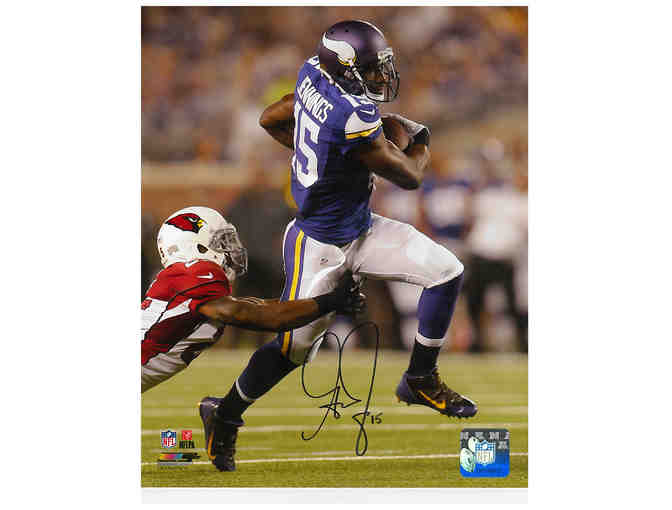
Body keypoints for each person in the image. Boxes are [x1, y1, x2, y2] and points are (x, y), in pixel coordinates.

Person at [200, 20, 476, 472]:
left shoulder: (313, 71)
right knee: (293, 350)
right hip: (319, 244)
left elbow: (270, 116)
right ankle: (225, 413)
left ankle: (420, 377)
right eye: (371, 69)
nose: (380, 76)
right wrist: (422, 140)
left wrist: (314, 153)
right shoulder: (350, 112)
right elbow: (411, 176)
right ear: (346, 68)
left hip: (360, 227)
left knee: (446, 271)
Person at [141, 206, 364, 393]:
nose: (230, 248)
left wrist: (323, 298)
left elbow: (258, 305)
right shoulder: (193, 272)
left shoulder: (183, 279)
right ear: (196, 246)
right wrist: (329, 302)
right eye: (221, 242)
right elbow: (258, 316)